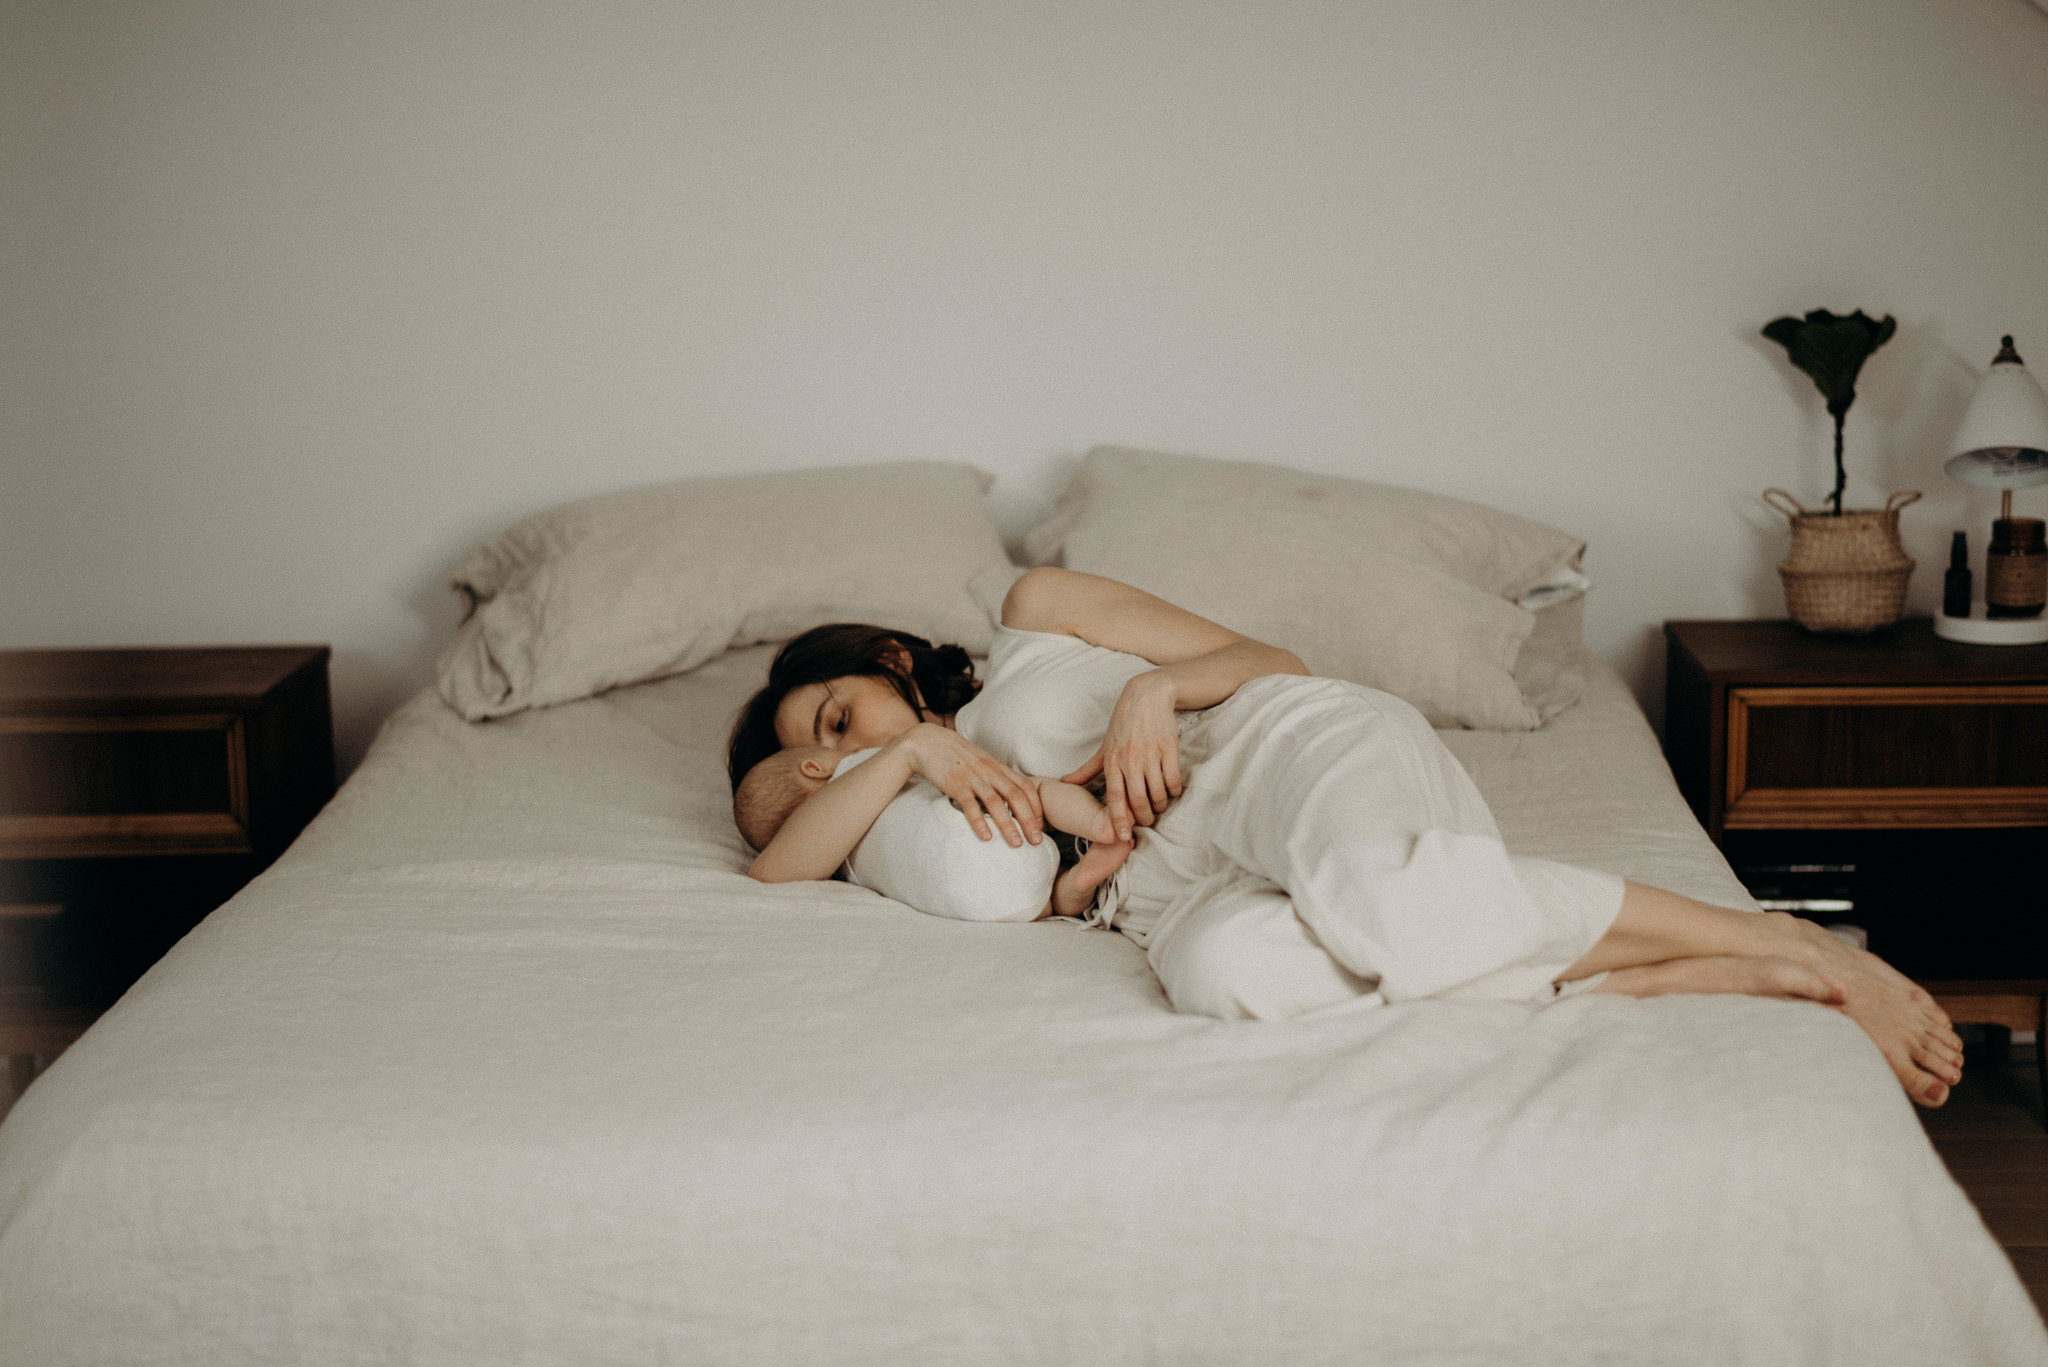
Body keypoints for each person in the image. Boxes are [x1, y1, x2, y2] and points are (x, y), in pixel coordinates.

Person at [726, 569, 1964, 1107]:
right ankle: (1673, 973)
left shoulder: (1035, 615)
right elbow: (775, 859)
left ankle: (1775, 937)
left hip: (1270, 747)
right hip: (1167, 893)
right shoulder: (924, 814)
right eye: (817, 752)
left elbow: (1273, 659)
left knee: (1377, 902)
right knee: (1233, 978)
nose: (833, 748)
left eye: (839, 711)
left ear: (889, 657)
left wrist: (1154, 691)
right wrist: (901, 756)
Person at [733, 741, 1133, 922]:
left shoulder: (844, 867)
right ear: (814, 768)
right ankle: (1100, 823)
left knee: (1041, 902)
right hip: (974, 820)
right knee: (1036, 791)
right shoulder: (867, 765)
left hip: (978, 902)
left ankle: (1071, 887)